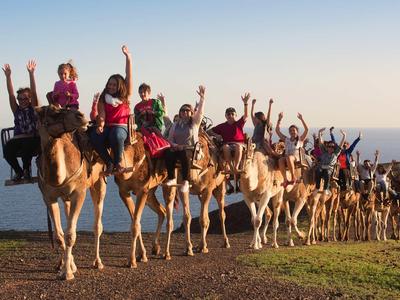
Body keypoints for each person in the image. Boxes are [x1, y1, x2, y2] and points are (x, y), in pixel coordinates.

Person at [90, 45, 132, 175]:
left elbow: (128, 75)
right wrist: (100, 125)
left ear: (119, 86)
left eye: (114, 84)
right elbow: (101, 114)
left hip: (121, 126)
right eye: (109, 84)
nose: (111, 87)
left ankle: (118, 162)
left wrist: (128, 58)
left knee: (116, 135)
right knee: (95, 137)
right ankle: (109, 162)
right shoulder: (104, 98)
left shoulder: (125, 96)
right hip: (108, 126)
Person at [2, 61, 40, 181]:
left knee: (26, 147)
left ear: (29, 99)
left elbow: (34, 93)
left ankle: (26, 169)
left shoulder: (33, 108)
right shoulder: (16, 110)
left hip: (33, 138)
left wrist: (31, 74)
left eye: (25, 98)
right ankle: (19, 172)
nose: (22, 101)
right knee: (7, 150)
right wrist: (8, 77)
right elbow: (11, 94)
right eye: (20, 99)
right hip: (19, 138)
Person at [164, 85, 205, 193]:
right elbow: (170, 138)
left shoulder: (194, 123)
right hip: (177, 148)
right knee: (168, 153)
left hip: (191, 149)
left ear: (191, 113)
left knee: (184, 154)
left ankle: (186, 181)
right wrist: (174, 145)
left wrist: (202, 98)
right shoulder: (175, 125)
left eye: (187, 111)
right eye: (182, 111)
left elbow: (200, 112)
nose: (184, 112)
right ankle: (172, 178)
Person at [210, 92, 250, 173]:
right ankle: (231, 168)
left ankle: (236, 167)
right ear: (225, 116)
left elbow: (246, 115)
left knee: (238, 146)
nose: (230, 115)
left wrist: (245, 103)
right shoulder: (222, 126)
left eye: (232, 114)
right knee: (225, 147)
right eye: (228, 114)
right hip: (227, 144)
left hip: (239, 144)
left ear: (235, 115)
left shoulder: (239, 123)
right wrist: (216, 135)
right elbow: (209, 131)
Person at [275, 112, 309, 186]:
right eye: (290, 131)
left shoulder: (300, 139)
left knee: (289, 158)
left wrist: (301, 119)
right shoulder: (286, 139)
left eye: (294, 130)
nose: (292, 132)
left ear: (297, 131)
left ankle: (293, 177)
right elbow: (277, 131)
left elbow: (306, 130)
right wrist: (279, 119)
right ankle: (285, 179)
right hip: (288, 157)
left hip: (296, 157)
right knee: (280, 160)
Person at [312, 128, 346, 198]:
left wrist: (344, 136)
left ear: (334, 148)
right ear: (326, 147)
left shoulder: (335, 154)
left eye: (332, 147)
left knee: (327, 173)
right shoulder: (324, 152)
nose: (330, 148)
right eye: (329, 146)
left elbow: (340, 145)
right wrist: (319, 133)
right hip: (321, 168)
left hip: (329, 169)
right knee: (318, 170)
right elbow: (320, 143)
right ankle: (317, 187)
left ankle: (326, 189)